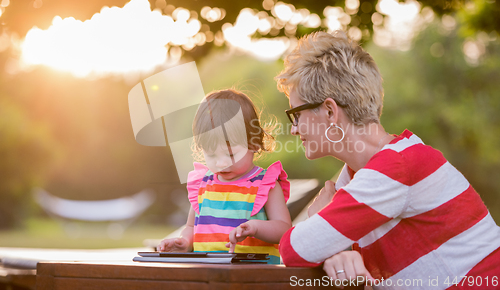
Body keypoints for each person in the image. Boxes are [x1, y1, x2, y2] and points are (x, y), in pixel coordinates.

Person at [275, 31, 500, 288]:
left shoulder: (397, 168)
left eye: (296, 114)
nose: (293, 129)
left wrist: (319, 221)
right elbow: (313, 249)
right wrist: (332, 248)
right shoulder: (358, 178)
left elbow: (292, 250)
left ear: (329, 111)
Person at [157, 89, 292, 264]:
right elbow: (192, 226)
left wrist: (255, 227)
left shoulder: (265, 185)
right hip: (206, 275)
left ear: (254, 143)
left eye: (230, 155)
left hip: (256, 277)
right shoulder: (202, 185)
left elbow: (284, 229)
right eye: (211, 155)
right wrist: (185, 242)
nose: (221, 163)